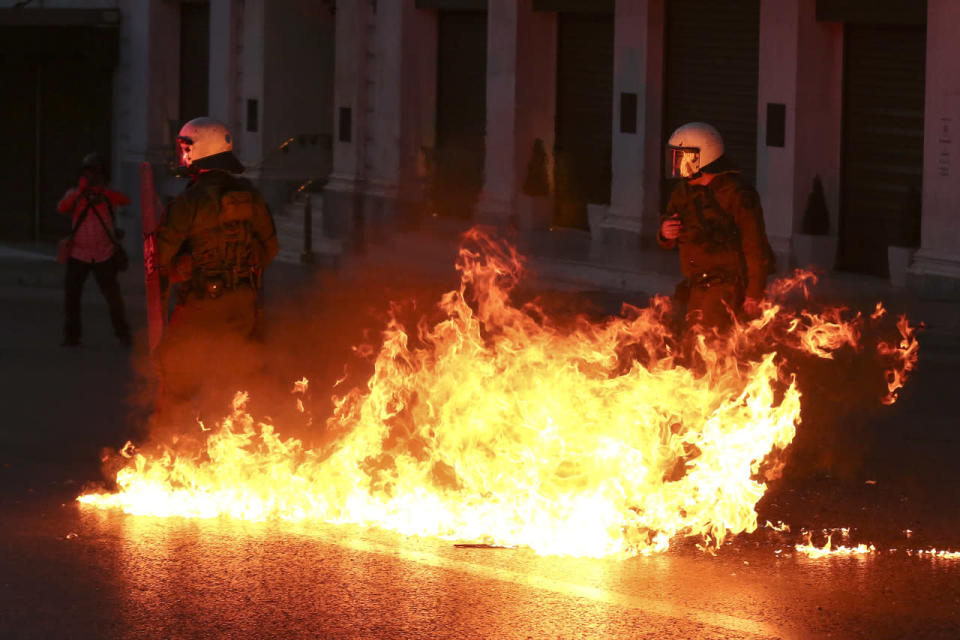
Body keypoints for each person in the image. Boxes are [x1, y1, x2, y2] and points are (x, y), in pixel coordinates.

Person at [151, 117, 278, 425]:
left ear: (198, 151)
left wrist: (183, 268)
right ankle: (240, 452)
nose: (181, 154)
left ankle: (169, 446)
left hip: (201, 306)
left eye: (185, 147)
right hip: (245, 304)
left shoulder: (189, 202)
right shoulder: (251, 195)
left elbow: (160, 257)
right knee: (241, 383)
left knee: (177, 377)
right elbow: (270, 248)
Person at [658, 122, 775, 331]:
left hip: (727, 285)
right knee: (683, 340)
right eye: (677, 158)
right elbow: (669, 221)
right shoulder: (683, 192)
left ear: (704, 157)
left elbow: (755, 244)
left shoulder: (737, 195)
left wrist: (754, 293)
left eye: (685, 158)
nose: (679, 165)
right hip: (695, 283)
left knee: (711, 344)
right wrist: (665, 232)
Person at [57, 152, 132, 347]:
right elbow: (62, 208)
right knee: (72, 298)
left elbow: (126, 200)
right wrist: (81, 192)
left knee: (113, 298)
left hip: (104, 254)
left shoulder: (108, 196)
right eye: (88, 172)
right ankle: (71, 336)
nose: (92, 176)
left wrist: (103, 193)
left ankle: (123, 334)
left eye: (96, 172)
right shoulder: (75, 194)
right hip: (78, 254)